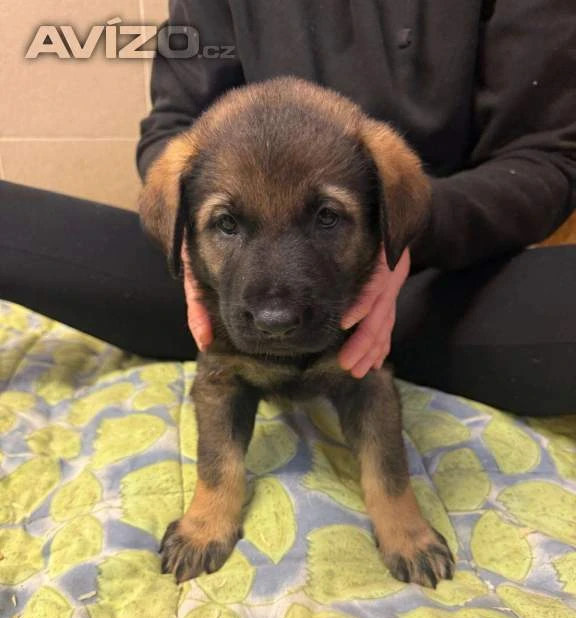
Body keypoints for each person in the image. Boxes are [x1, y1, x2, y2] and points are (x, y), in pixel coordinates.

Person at [2, 0, 575, 415]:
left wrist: (415, 233)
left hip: (438, 269)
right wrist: (200, 252)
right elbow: (174, 125)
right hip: (231, 288)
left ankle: (354, 355)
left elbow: (548, 156)